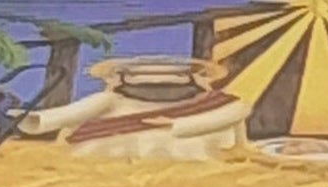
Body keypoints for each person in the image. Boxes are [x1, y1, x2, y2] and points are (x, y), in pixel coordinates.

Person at [17, 55, 249, 160]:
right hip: (106, 163)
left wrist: (175, 124)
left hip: (197, 162)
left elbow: (229, 115)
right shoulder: (111, 101)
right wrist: (30, 120)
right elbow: (70, 114)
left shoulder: (220, 104)